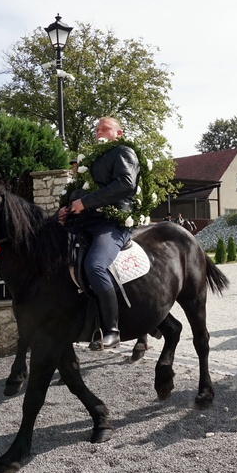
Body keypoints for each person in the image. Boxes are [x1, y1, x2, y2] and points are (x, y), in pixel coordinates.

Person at [59, 117, 140, 350]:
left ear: (119, 133)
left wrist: (84, 203)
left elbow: (126, 184)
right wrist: (66, 208)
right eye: (96, 129)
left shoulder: (123, 152)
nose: (98, 132)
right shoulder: (92, 160)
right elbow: (79, 192)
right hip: (85, 222)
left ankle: (112, 330)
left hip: (112, 224)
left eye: (104, 128)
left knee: (95, 265)